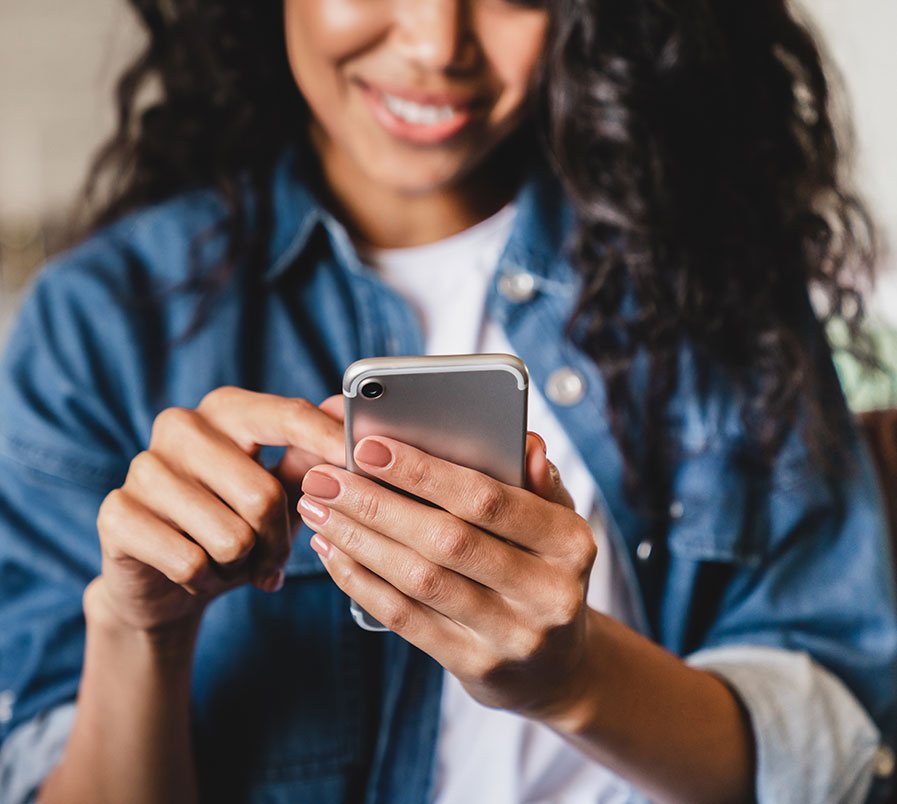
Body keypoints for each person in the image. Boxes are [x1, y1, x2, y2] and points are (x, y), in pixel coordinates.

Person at [0, 1, 895, 802]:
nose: (435, 43)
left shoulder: (713, 279)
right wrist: (135, 628)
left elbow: (837, 754)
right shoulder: (101, 323)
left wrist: (574, 678)